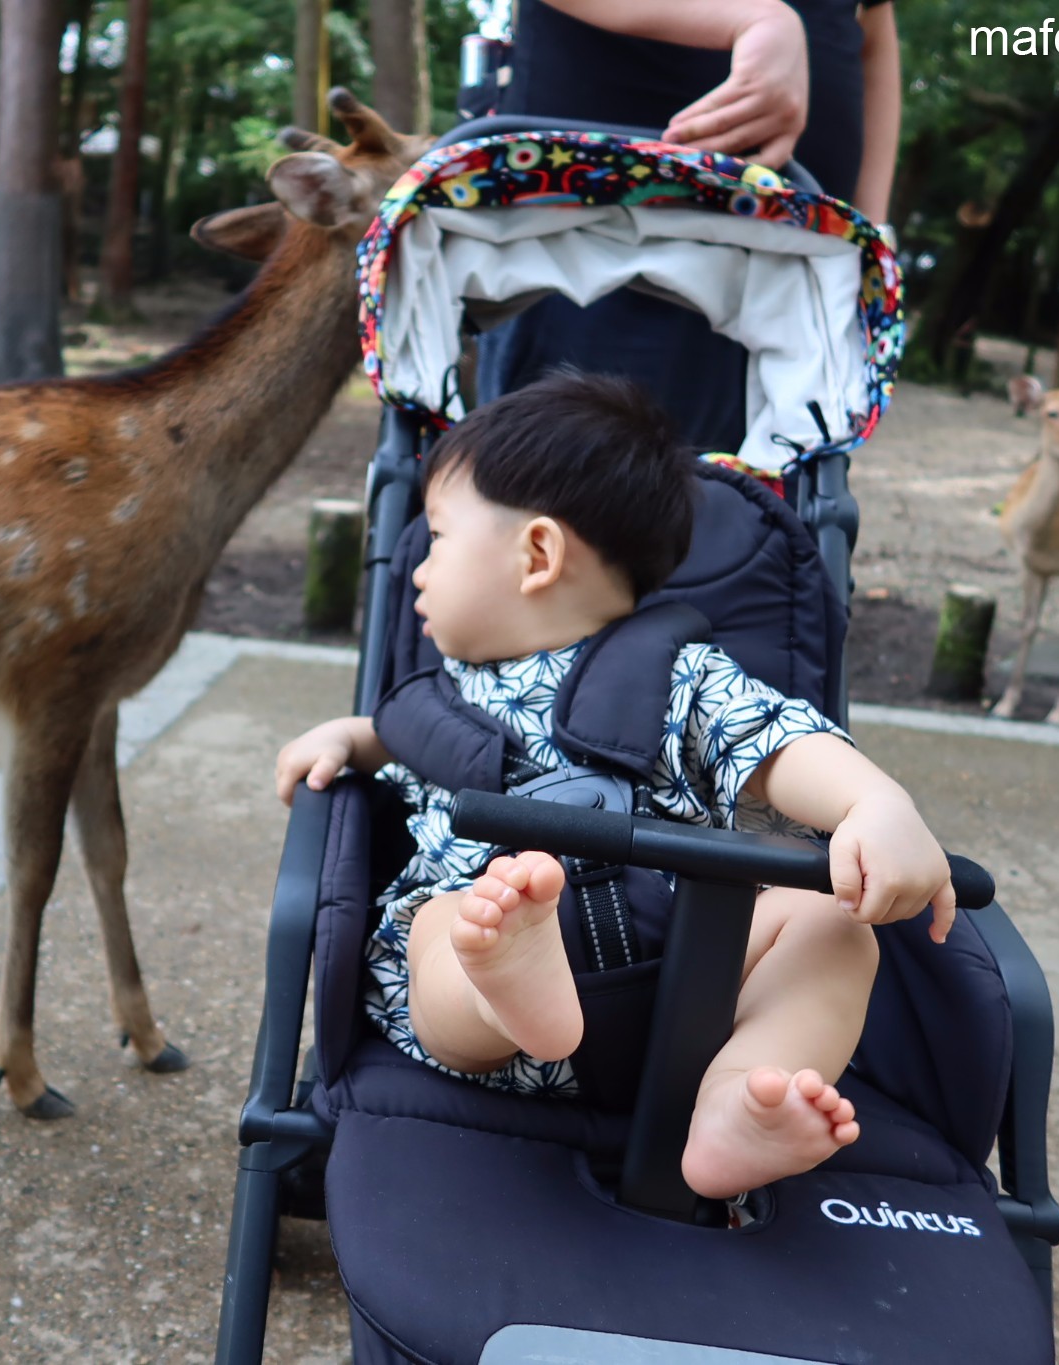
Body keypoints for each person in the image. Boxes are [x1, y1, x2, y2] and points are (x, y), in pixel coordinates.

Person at [272, 372, 955, 1200]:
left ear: (537, 554)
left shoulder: (680, 677)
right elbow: (397, 743)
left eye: (440, 538)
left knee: (831, 926)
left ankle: (740, 1093)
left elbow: (783, 740)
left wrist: (874, 803)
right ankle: (509, 990)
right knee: (446, 929)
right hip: (493, 992)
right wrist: (352, 737)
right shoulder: (435, 699)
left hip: (686, 980)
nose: (415, 568)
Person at [474, 0, 900, 455]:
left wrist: (871, 234)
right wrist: (753, 18)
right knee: (576, 490)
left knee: (763, 512)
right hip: (598, 248)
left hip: (800, 278)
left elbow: (869, 27)